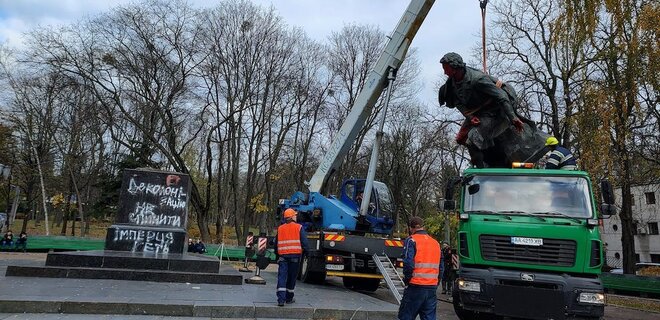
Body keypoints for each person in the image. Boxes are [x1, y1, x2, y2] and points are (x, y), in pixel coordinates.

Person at [438, 52, 525, 168]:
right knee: (461, 138)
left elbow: (501, 96)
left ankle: (480, 173)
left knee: (472, 139)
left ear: (454, 68)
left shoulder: (478, 80)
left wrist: (513, 118)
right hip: (478, 111)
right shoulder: (452, 83)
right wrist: (469, 117)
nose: (444, 72)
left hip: (495, 110)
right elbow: (458, 102)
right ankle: (488, 159)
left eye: (446, 69)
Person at [398, 217, 441, 320]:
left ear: (411, 228)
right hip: (431, 287)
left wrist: (407, 280)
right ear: (423, 227)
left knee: (406, 316)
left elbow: (408, 263)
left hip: (415, 286)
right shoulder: (436, 243)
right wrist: (436, 282)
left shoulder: (411, 240)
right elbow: (441, 267)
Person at [274, 208, 308, 307]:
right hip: (295, 257)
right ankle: (289, 298)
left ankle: (281, 300)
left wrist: (277, 255)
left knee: (282, 277)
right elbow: (304, 242)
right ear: (292, 217)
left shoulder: (280, 228)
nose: (296, 217)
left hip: (282, 257)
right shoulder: (299, 227)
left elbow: (276, 244)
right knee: (292, 278)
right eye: (295, 215)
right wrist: (307, 252)